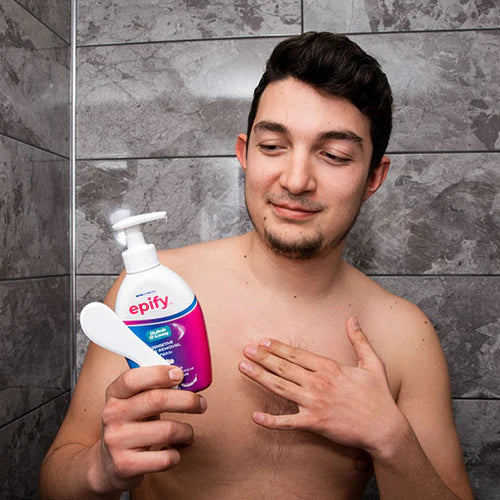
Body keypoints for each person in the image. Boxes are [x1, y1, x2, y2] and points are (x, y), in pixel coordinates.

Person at [40, 32, 474, 499]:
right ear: (244, 154)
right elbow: (55, 480)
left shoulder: (404, 336)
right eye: (272, 147)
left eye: (334, 155)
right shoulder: (152, 298)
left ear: (373, 177)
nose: (296, 180)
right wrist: (100, 468)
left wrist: (391, 439)